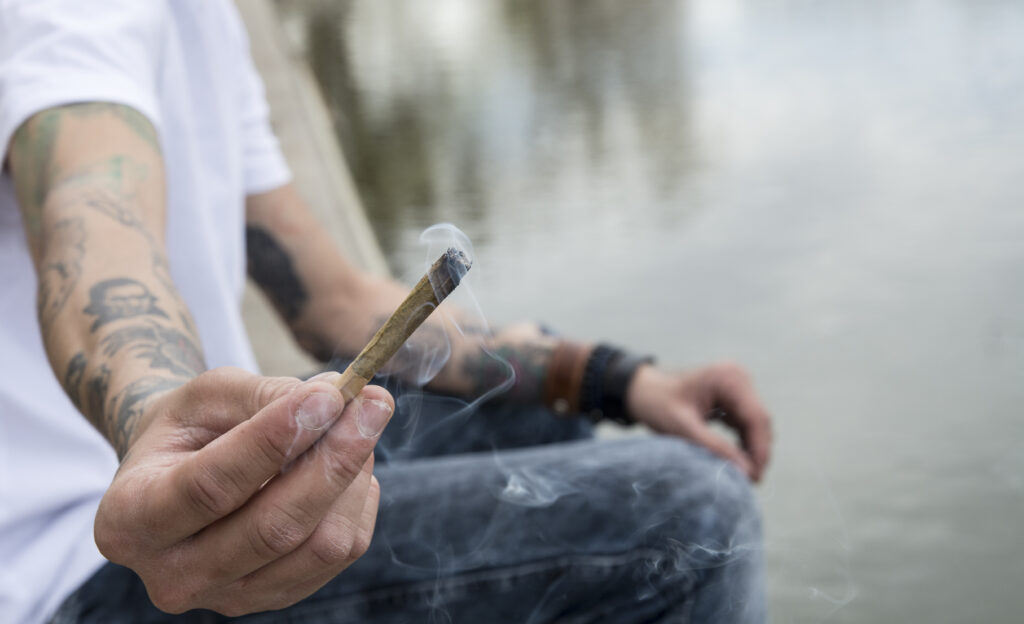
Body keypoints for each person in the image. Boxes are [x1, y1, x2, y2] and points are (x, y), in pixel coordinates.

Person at [0, 1, 773, 622]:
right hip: (80, 571)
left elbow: (331, 300)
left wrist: (613, 377)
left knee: (531, 406)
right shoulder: (68, 17)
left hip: (187, 496)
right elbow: (95, 223)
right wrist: (162, 427)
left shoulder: (207, 19)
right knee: (696, 513)